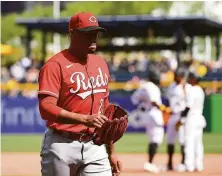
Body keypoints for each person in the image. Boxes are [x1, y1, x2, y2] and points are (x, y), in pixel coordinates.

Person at [38, 12, 122, 176]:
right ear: (72, 33)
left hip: (95, 146)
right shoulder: (54, 65)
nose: (93, 38)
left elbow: (104, 111)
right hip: (61, 145)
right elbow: (45, 108)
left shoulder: (100, 64)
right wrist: (84, 119)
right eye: (87, 33)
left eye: (96, 33)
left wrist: (111, 151)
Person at [131, 71, 165, 173]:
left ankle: (150, 162)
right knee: (156, 138)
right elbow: (154, 101)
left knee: (152, 139)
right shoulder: (152, 87)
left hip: (145, 113)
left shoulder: (144, 85)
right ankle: (149, 163)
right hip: (153, 113)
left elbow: (134, 99)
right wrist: (164, 109)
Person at [177, 72, 206, 172]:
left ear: (194, 79)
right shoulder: (200, 90)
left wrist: (181, 119)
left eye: (190, 78)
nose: (189, 79)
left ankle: (188, 165)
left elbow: (188, 107)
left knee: (188, 141)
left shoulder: (192, 90)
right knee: (198, 142)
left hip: (192, 118)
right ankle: (199, 165)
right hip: (199, 117)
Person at [166, 69, 192, 171]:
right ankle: (169, 163)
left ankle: (183, 163)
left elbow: (188, 103)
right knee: (170, 139)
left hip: (181, 115)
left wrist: (183, 118)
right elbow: (170, 101)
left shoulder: (187, 87)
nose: (176, 77)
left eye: (178, 75)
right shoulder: (172, 86)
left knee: (182, 140)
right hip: (173, 114)